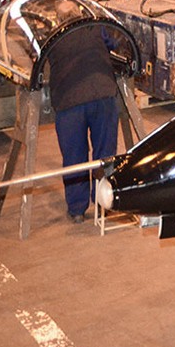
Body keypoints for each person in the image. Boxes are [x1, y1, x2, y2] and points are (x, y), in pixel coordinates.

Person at [46, 26, 120, 223]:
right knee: (105, 154)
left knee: (74, 156)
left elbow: (35, 57)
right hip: (102, 92)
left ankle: (77, 209)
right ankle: (103, 203)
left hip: (69, 99)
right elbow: (114, 42)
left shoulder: (50, 32)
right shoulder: (94, 24)